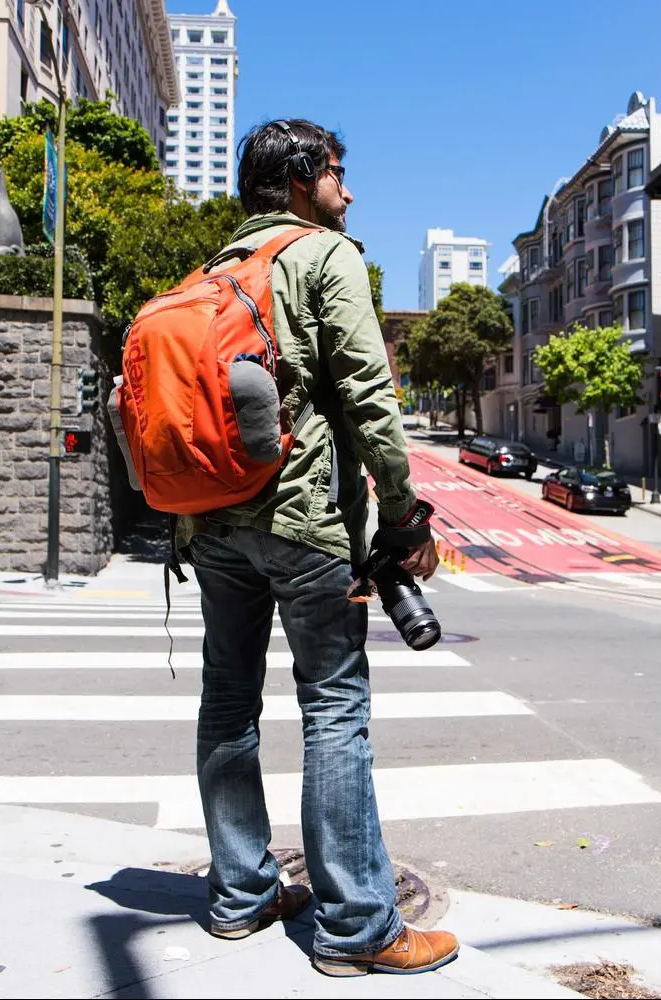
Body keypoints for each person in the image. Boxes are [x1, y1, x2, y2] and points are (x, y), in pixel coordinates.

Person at [176, 118, 458, 977]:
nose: (348, 189)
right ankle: (357, 926)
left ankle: (240, 895)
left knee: (229, 702)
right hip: (301, 522)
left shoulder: (209, 271)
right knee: (334, 708)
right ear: (301, 177)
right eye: (337, 171)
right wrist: (405, 514)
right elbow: (369, 392)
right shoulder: (324, 254)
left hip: (213, 522)